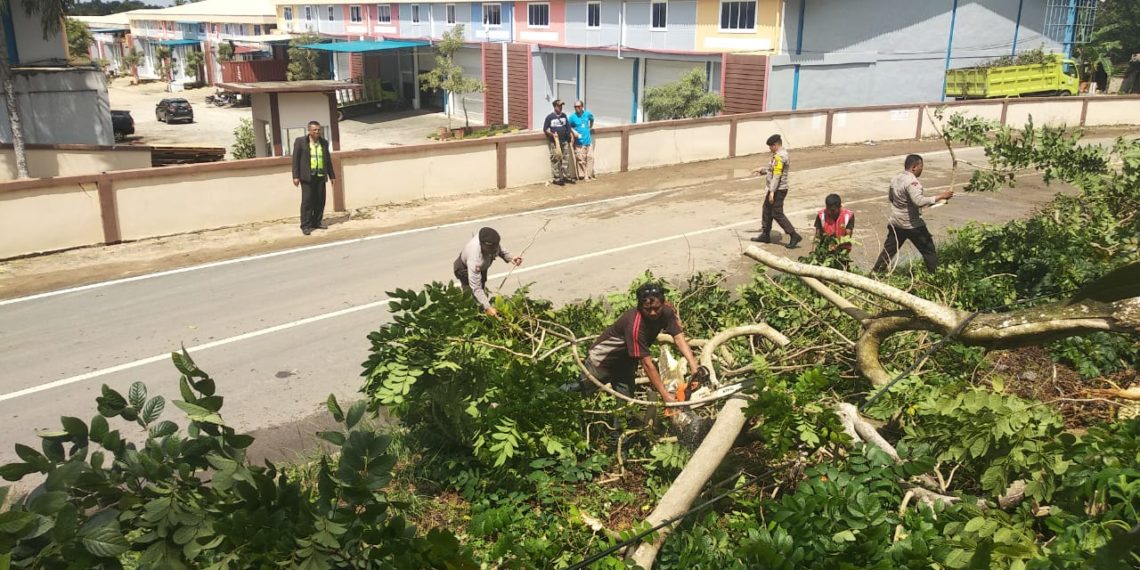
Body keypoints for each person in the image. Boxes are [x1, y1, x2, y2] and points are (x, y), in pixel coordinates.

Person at [580, 282, 699, 402]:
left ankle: (621, 421)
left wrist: (694, 368)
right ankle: (560, 397)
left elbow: (679, 338)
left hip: (626, 362)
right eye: (648, 309)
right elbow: (647, 364)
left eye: (656, 308)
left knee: (625, 404)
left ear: (663, 304)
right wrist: (665, 395)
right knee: (578, 392)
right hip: (602, 362)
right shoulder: (634, 325)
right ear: (639, 306)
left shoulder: (667, 313)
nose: (653, 313)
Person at [872, 154, 953, 273]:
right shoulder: (913, 182)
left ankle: (875, 273)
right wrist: (940, 196)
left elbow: (891, 198)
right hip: (912, 225)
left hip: (896, 222)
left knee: (888, 251)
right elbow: (919, 201)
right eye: (921, 166)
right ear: (914, 167)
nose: (922, 169)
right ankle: (935, 275)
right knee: (928, 250)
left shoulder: (896, 178)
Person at [453, 227, 523, 317]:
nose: (495, 250)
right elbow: (476, 287)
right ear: (483, 246)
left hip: (482, 267)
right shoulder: (475, 259)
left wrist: (511, 258)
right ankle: (471, 315)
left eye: (495, 247)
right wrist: (487, 307)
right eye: (492, 249)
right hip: (464, 270)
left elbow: (500, 249)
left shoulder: (491, 241)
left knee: (482, 287)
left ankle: (482, 305)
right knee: (471, 297)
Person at [751, 134, 802, 248]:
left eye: (770, 146)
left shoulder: (780, 157)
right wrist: (761, 170)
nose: (769, 149)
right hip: (776, 188)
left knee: (777, 213)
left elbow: (777, 175)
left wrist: (772, 191)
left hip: (778, 189)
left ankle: (793, 235)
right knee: (767, 210)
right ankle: (765, 234)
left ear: (775, 145)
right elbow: (772, 170)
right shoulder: (778, 155)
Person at [291, 121, 336, 236]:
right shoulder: (300, 142)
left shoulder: (324, 143)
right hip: (307, 177)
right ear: (309, 131)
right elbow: (295, 160)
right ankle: (305, 225)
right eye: (314, 130)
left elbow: (328, 161)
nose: (317, 132)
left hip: (320, 176)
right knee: (307, 202)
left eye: (318, 130)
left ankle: (316, 222)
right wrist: (295, 176)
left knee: (320, 200)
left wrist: (332, 176)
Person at [543, 99, 573, 186]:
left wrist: (570, 135)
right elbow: (545, 129)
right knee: (555, 159)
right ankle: (556, 178)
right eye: (559, 106)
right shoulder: (549, 117)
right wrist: (552, 134)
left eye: (561, 106)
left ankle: (566, 176)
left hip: (564, 141)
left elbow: (568, 127)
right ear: (554, 107)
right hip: (555, 142)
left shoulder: (564, 116)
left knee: (565, 160)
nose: (560, 107)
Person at [568, 100, 596, 181]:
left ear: (582, 107)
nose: (577, 108)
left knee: (590, 158)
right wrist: (573, 131)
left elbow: (592, 119)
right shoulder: (572, 117)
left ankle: (589, 175)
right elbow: (568, 126)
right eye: (575, 107)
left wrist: (590, 127)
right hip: (579, 143)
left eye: (578, 106)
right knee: (581, 160)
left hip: (588, 141)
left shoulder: (587, 114)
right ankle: (585, 176)